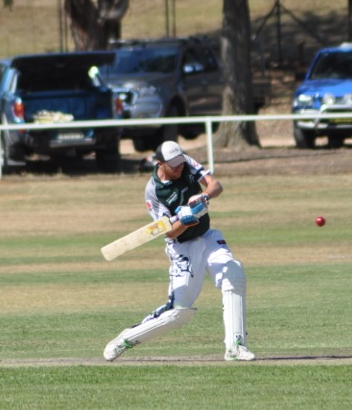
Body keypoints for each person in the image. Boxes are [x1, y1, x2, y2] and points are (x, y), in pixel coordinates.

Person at [103, 141, 254, 362]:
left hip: (208, 237)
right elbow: (170, 233)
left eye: (180, 164)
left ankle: (235, 346)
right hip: (182, 248)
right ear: (160, 164)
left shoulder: (185, 162)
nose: (179, 168)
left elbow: (215, 185)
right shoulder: (153, 191)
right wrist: (186, 220)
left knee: (234, 274)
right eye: (173, 166)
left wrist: (204, 197)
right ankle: (126, 338)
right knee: (178, 313)